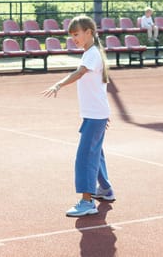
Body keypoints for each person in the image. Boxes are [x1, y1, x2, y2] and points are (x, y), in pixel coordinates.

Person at [42, 15, 115, 217]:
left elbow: (79, 73)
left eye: (76, 34)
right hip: (96, 114)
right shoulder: (91, 52)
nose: (73, 38)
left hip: (96, 115)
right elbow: (100, 87)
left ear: (88, 32)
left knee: (85, 157)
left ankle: (87, 201)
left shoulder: (91, 54)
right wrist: (104, 113)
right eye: (71, 35)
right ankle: (106, 190)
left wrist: (58, 84)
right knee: (96, 153)